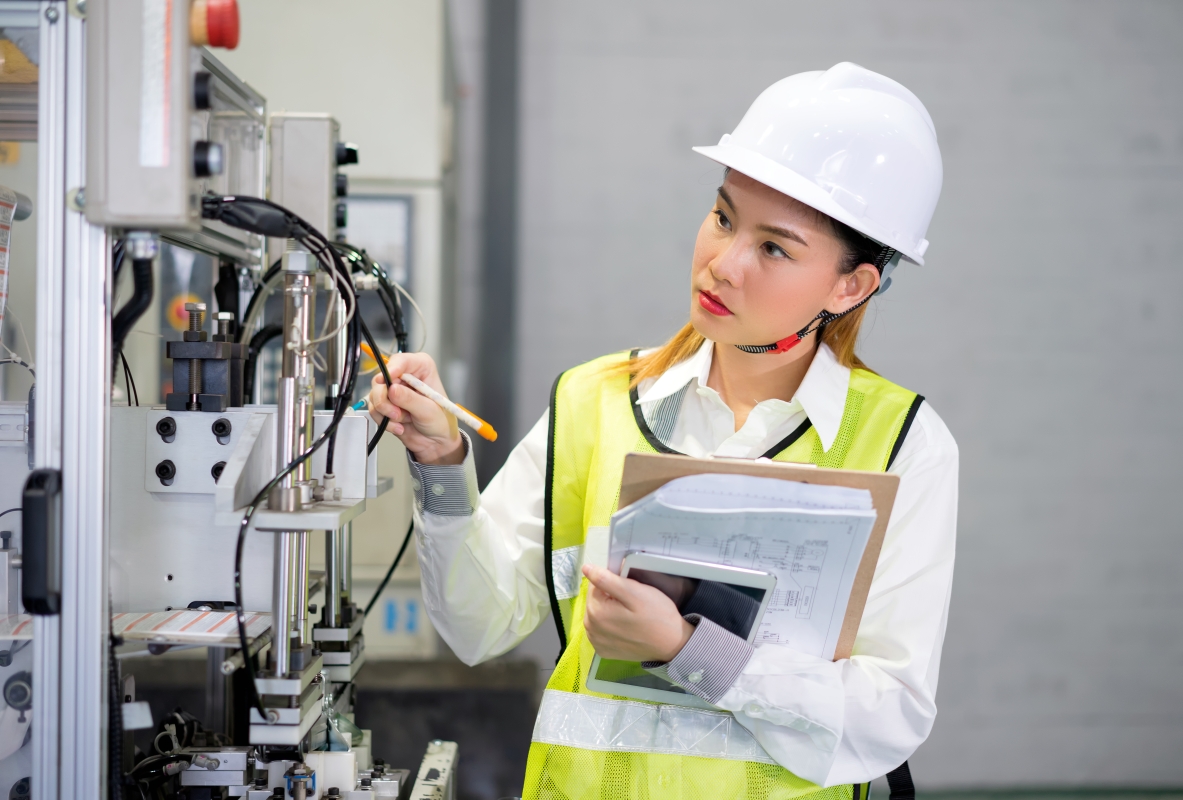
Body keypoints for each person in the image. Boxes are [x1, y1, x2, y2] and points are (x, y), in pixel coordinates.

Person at [368, 62, 957, 800]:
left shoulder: (905, 445)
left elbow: (889, 713)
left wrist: (689, 650)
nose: (723, 263)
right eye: (722, 217)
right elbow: (478, 626)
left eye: (774, 248)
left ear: (850, 286)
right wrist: (443, 462)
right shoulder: (594, 402)